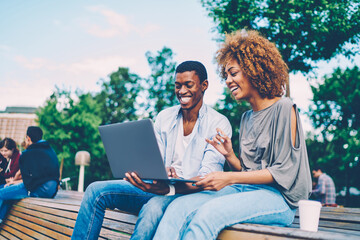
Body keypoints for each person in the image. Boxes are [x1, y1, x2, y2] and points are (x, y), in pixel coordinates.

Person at [150, 30, 312, 240]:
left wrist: (228, 177)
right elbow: (249, 172)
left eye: (233, 73)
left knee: (208, 214)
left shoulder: (285, 108)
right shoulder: (246, 118)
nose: (228, 80)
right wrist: (230, 156)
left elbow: (283, 173)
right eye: (225, 75)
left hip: (281, 200)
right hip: (247, 190)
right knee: (178, 208)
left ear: (254, 71)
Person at [71, 61, 232, 240]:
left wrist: (171, 188)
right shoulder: (164, 117)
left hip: (190, 194)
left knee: (153, 206)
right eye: (177, 86)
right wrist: (160, 171)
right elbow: (154, 159)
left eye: (188, 85)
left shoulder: (218, 123)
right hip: (157, 187)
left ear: (204, 85)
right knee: (95, 190)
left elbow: (207, 178)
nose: (182, 91)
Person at [0, 126, 60, 224]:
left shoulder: (27, 154)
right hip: (52, 191)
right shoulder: (50, 150)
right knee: (6, 191)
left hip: (37, 190)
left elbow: (28, 182)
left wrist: (14, 182)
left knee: (1, 193)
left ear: (28, 138)